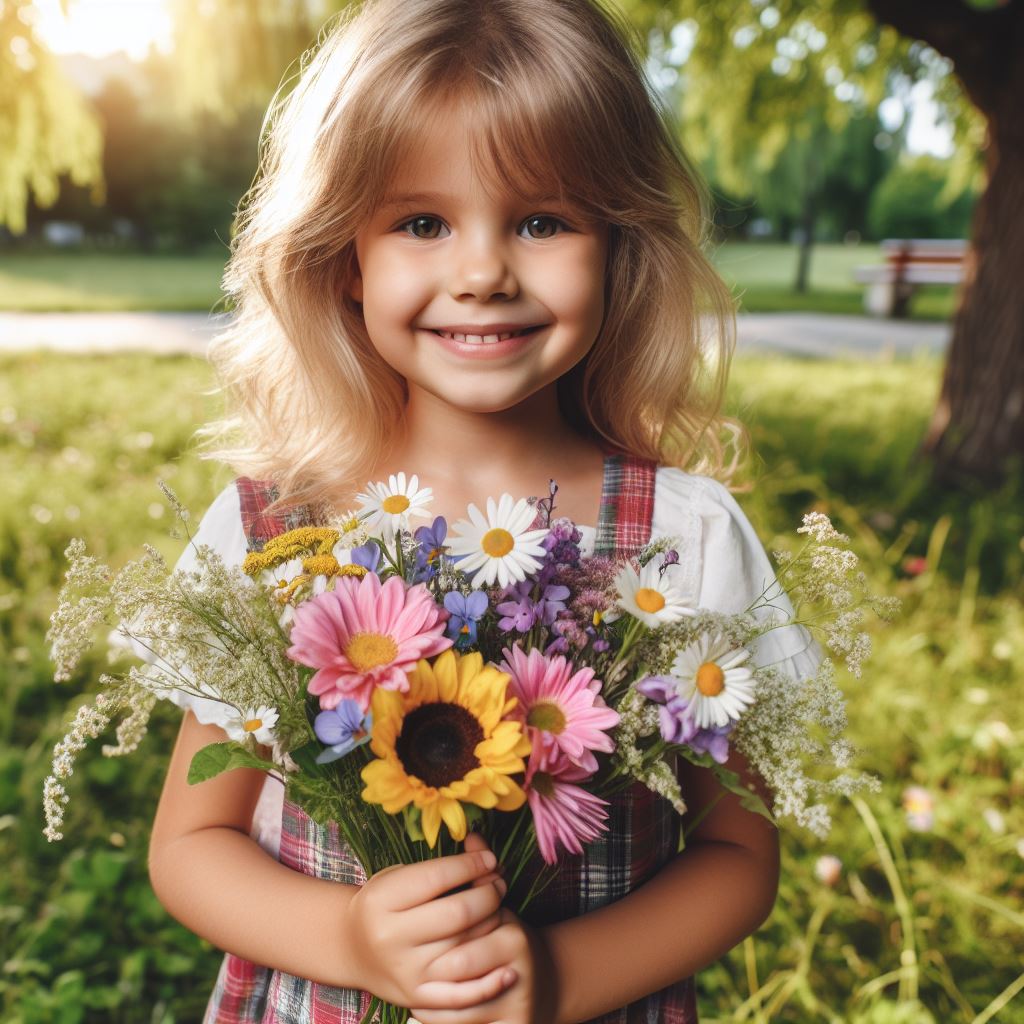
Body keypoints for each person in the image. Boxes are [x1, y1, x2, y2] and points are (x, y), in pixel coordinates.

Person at [148, 1, 822, 1021]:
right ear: (345, 259)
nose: (481, 273)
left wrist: (551, 981)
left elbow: (736, 855)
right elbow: (191, 845)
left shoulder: (683, 540)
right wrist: (352, 942)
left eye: (542, 221)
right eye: (422, 222)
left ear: (618, 247)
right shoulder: (269, 536)